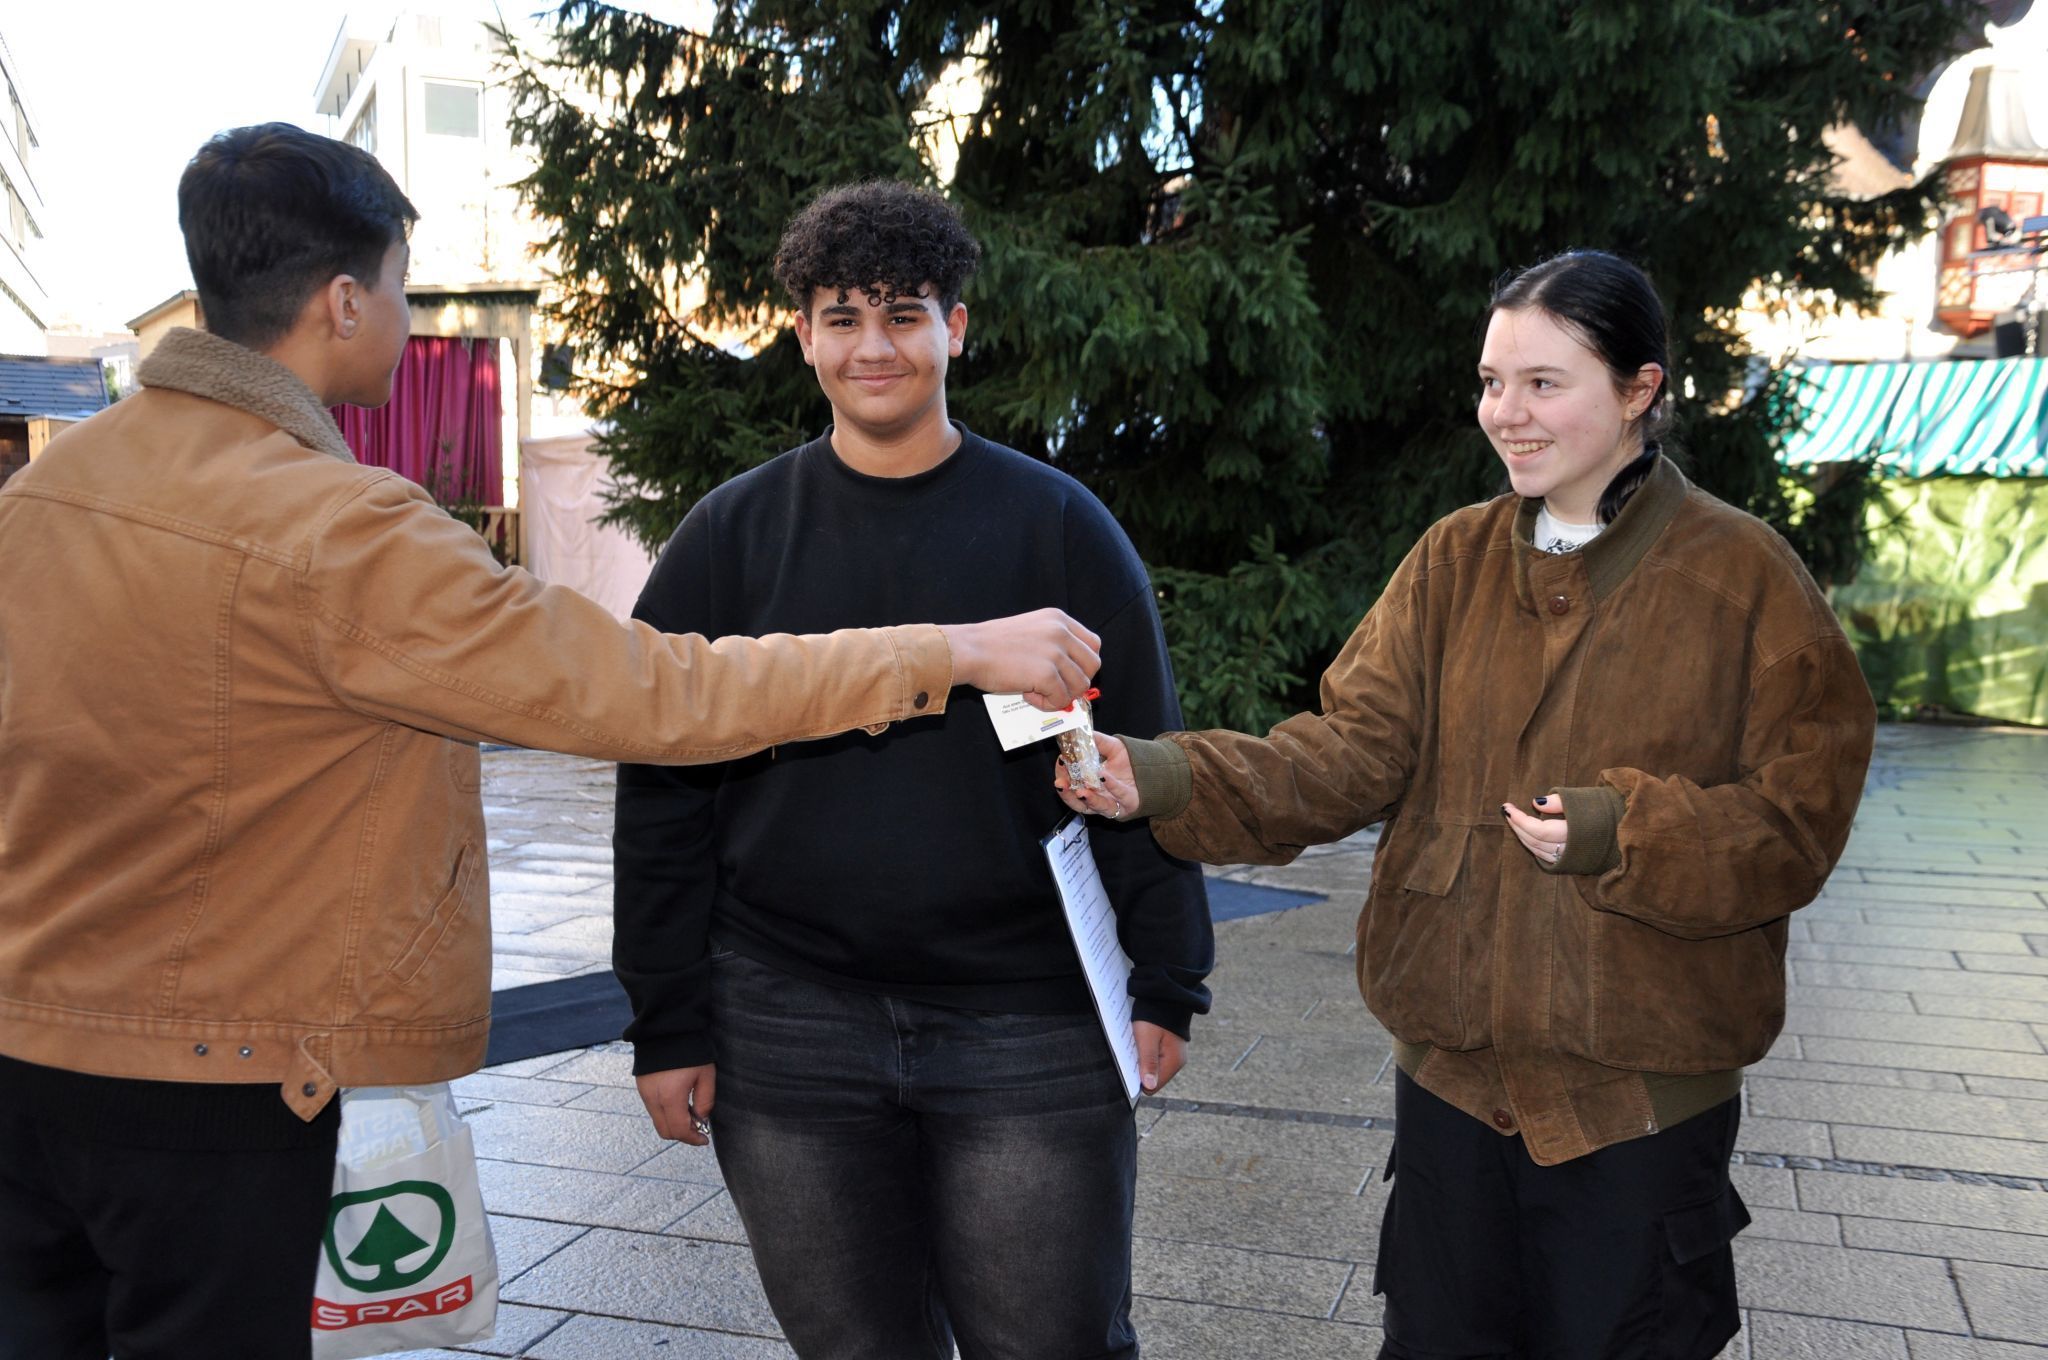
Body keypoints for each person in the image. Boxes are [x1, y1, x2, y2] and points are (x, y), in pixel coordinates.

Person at [0, 125, 1102, 1360]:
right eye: (404, 286)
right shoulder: (341, 525)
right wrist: (946, 652)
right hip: (221, 1085)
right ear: (344, 299)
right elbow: (652, 693)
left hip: (24, 1055)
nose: (409, 318)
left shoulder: (42, 495)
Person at [1059, 250, 1877, 1360]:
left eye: (1543, 382)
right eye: (1492, 382)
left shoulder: (1742, 576)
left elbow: (1795, 824)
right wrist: (1157, 774)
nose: (1506, 412)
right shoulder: (1449, 560)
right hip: (1447, 1091)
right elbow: (1346, 753)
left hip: (1635, 1107)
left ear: (1638, 389)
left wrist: (1619, 830)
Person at [614, 180, 1212, 1360]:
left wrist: (1166, 976)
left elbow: (1137, 753)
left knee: (1051, 1344)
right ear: (800, 336)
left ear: (957, 326)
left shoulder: (1054, 527)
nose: (872, 345)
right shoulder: (730, 539)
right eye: (841, 316)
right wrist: (665, 1015)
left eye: (903, 312)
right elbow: (661, 791)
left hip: (1023, 1019)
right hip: (786, 1019)